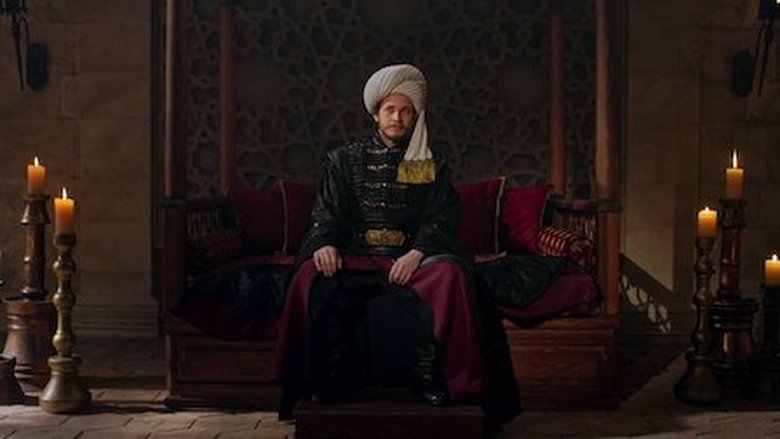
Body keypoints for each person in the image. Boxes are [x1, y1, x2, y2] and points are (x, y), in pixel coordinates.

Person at [273, 64, 519, 424]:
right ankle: (335, 375)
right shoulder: (345, 159)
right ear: (376, 114)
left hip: (411, 256)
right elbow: (327, 212)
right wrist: (324, 242)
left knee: (450, 276)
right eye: (390, 109)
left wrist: (417, 253)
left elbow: (439, 216)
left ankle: (429, 375)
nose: (397, 117)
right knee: (309, 275)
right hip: (357, 254)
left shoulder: (423, 161)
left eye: (406, 111)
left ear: (415, 116)